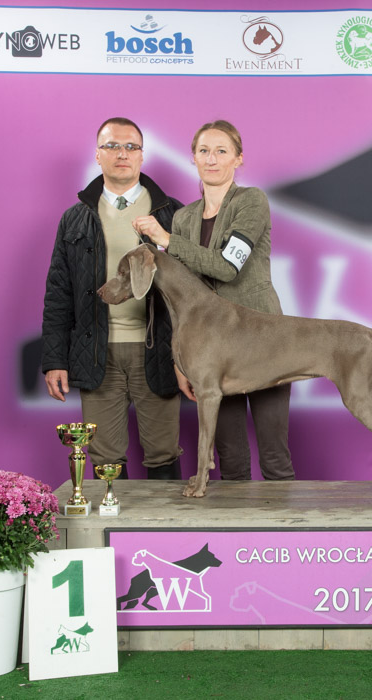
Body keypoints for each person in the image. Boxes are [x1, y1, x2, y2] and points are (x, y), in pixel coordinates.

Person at [132, 119, 294, 481]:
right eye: (204, 151)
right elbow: (179, 295)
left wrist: (166, 240)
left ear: (239, 158)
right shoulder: (183, 217)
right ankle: (237, 521)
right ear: (192, 158)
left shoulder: (251, 201)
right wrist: (180, 360)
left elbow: (226, 268)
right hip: (210, 350)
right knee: (230, 458)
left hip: (264, 342)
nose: (212, 159)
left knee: (274, 455)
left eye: (222, 151)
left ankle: (281, 519)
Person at [42, 117, 182, 479]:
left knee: (164, 452)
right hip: (96, 351)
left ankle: (166, 520)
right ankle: (112, 518)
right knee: (104, 458)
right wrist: (54, 360)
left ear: (142, 156)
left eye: (131, 147)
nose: (122, 154)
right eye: (112, 146)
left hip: (159, 350)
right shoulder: (74, 219)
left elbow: (192, 289)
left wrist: (190, 357)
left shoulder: (173, 213)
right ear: (97, 155)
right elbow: (59, 293)